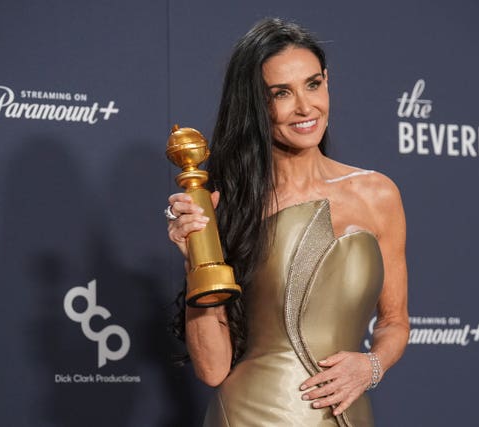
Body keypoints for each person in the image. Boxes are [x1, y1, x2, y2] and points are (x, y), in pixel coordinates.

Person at [166, 17, 409, 427]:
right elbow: (212, 370)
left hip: (347, 413)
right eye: (281, 93)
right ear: (257, 105)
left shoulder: (378, 194)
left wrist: (370, 365)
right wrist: (195, 261)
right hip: (250, 414)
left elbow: (395, 322)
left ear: (327, 81)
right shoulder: (229, 208)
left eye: (313, 84)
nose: (304, 107)